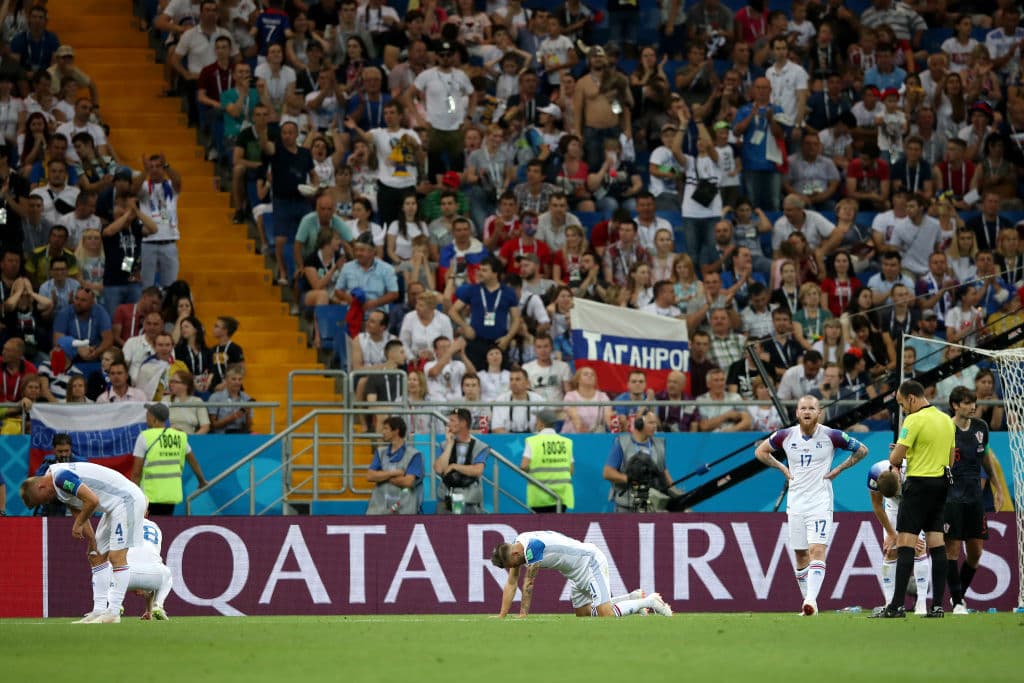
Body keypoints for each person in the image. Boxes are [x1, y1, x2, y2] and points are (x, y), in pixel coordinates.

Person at [755, 395, 868, 616]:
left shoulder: (832, 435)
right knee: (800, 555)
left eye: (811, 408)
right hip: (796, 503)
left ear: (819, 413)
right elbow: (760, 452)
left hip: (820, 502)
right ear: (797, 413)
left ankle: (810, 601)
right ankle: (810, 605)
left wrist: (839, 469)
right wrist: (783, 468)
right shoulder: (785, 435)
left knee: (817, 550)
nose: (807, 412)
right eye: (803, 408)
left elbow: (862, 450)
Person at [19, 461, 148, 623]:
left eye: (41, 501)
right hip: (114, 507)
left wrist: (78, 524)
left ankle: (113, 612)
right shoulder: (56, 485)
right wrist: (92, 540)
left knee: (116, 557)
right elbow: (77, 509)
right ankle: (99, 610)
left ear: (41, 487)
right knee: (96, 556)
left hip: (127, 500)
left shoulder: (61, 478)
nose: (45, 503)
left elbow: (92, 501)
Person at [871, 380, 956, 618]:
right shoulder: (946, 420)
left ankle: (896, 606)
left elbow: (895, 459)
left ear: (911, 398)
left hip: (918, 484)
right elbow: (951, 460)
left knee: (906, 544)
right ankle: (937, 606)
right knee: (936, 544)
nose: (903, 409)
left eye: (902, 404)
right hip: (941, 484)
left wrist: (900, 451)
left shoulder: (914, 420)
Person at [491, 530, 672, 618]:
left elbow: (528, 583)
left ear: (515, 554)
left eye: (510, 564)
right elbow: (512, 582)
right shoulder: (516, 546)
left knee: (606, 614)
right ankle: (632, 597)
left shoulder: (532, 547)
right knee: (583, 613)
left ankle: (650, 601)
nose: (512, 567)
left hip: (590, 562)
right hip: (575, 574)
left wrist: (523, 614)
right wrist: (502, 614)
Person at [945, 385, 1004, 614]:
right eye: (967, 402)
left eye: (974, 402)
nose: (972, 406)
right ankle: (958, 601)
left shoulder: (981, 427)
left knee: (976, 552)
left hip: (974, 498)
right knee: (952, 551)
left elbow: (986, 458)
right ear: (955, 405)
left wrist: (998, 488)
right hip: (951, 496)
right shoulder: (945, 428)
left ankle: (958, 597)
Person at [867, 459, 933, 616]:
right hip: (892, 508)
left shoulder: (913, 470)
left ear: (899, 480)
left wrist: (911, 536)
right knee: (890, 551)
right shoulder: (874, 472)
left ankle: (921, 604)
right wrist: (892, 534)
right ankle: (890, 603)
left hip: (916, 504)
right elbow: (877, 506)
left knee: (919, 548)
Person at [130, 402, 208, 516]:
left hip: (150, 495)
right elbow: (193, 462)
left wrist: (132, 495)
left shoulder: (145, 436)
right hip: (170, 495)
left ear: (153, 418)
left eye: (148, 414)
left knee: (148, 526)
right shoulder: (179, 436)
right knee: (165, 525)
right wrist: (201, 481)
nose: (146, 417)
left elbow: (136, 473)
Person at [603, 410, 674, 513]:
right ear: (639, 423)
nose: (655, 426)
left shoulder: (659, 445)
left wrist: (673, 492)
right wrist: (629, 479)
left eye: (655, 423)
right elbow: (607, 473)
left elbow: (664, 472)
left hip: (651, 505)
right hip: (626, 506)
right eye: (651, 423)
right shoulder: (622, 443)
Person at [433, 408, 490, 515]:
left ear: (463, 423)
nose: (448, 424)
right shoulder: (443, 445)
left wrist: (454, 466)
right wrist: (449, 445)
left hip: (470, 502)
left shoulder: (480, 447)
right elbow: (439, 469)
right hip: (446, 501)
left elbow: (477, 470)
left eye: (452, 420)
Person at [365, 416, 424, 515]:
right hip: (378, 511)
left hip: (404, 511)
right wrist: (394, 473)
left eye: (386, 429)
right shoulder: (380, 452)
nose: (383, 432)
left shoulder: (414, 455)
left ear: (396, 431)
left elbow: (408, 482)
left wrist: (381, 476)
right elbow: (370, 476)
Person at [520, 410, 573, 513]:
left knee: (541, 523)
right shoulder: (566, 442)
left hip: (539, 495)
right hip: (561, 495)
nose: (535, 423)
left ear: (541, 423)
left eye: (537, 420)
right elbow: (570, 470)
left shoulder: (533, 441)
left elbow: (524, 466)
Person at [126, 517, 174, 621]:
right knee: (167, 574)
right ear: (146, 513)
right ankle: (158, 605)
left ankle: (114, 606)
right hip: (151, 575)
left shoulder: (124, 521)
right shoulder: (155, 528)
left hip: (125, 574)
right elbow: (154, 562)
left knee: (104, 570)